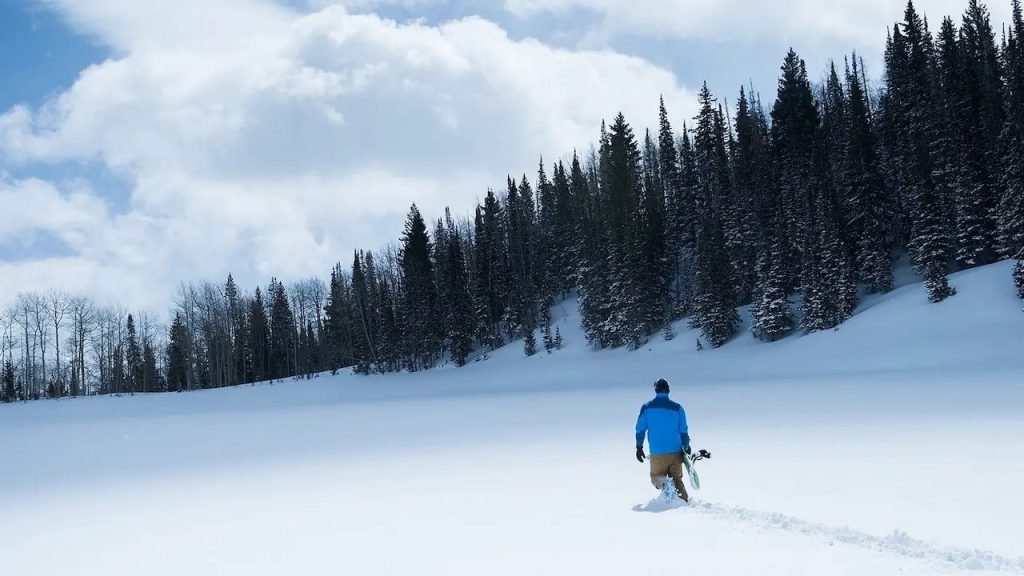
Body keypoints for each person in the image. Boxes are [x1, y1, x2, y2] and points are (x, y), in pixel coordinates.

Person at [635, 378, 690, 502]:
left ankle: (666, 489)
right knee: (677, 480)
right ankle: (684, 504)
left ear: (655, 390)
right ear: (669, 390)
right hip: (676, 452)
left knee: (656, 478)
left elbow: (640, 429)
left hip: (657, 453)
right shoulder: (678, 408)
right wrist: (686, 446)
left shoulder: (647, 407)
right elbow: (683, 431)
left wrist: (639, 447)